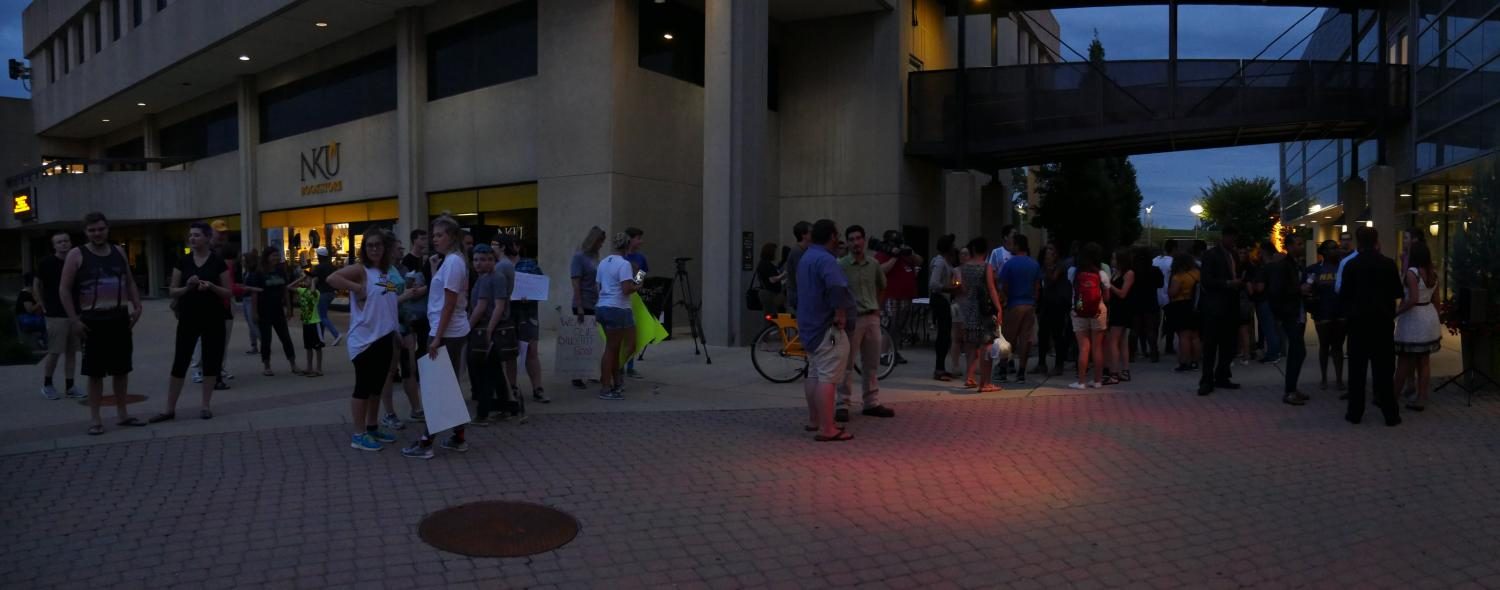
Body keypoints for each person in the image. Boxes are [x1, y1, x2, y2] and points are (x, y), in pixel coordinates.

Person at [60, 212, 146, 435]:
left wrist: (137, 305)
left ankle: (123, 414)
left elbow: (128, 280)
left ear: (107, 229)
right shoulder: (76, 255)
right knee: (95, 373)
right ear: (86, 232)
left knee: (121, 370)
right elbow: (64, 289)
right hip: (92, 321)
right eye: (92, 230)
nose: (97, 233)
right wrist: (74, 320)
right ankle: (95, 419)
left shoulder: (118, 251)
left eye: (100, 229)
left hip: (119, 318)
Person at [326, 228, 402, 451]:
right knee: (363, 387)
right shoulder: (361, 270)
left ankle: (371, 427)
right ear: (364, 249)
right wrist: (356, 287)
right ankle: (358, 434)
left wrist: (396, 331)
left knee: (376, 388)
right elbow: (332, 278)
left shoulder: (385, 272)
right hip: (365, 341)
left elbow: (389, 301)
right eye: (370, 246)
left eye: (378, 245)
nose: (375, 249)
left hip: (385, 336)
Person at [149, 222, 232, 423]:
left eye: (196, 235)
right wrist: (187, 287)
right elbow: (172, 291)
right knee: (181, 360)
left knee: (211, 362)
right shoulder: (183, 262)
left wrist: (211, 286)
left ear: (206, 238)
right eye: (190, 235)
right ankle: (169, 408)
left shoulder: (218, 262)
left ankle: (205, 405)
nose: (192, 239)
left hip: (213, 317)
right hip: (188, 317)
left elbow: (228, 292)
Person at [404, 215, 472, 458]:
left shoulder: (453, 262)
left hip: (447, 333)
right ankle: (458, 437)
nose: (435, 239)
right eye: (433, 235)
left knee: (437, 388)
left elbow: (450, 303)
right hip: (447, 331)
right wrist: (434, 269)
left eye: (439, 235)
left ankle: (425, 442)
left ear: (452, 237)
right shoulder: (450, 261)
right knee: (446, 386)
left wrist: (437, 337)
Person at [1339, 227, 1403, 426]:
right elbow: (1396, 292)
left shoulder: (1351, 265)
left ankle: (1355, 412)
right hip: (1382, 324)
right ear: (1376, 241)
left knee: (1357, 371)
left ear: (1358, 242)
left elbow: (1344, 296)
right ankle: (1390, 414)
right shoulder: (1388, 264)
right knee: (1384, 371)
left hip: (1358, 324)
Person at [797, 219, 854, 442]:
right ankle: (828, 428)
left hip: (809, 326)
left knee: (813, 373)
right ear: (832, 236)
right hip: (827, 329)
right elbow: (837, 286)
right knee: (828, 378)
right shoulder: (827, 260)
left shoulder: (806, 257)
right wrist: (840, 313)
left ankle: (815, 420)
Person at [835, 225, 897, 420]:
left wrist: (877, 308)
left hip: (871, 317)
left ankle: (871, 402)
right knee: (847, 362)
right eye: (851, 239)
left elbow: (882, 286)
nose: (855, 243)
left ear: (864, 240)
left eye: (858, 239)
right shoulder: (841, 265)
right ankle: (842, 404)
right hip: (852, 318)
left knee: (871, 362)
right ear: (847, 242)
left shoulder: (873, 264)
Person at [1394, 241, 1441, 412]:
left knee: (1404, 360)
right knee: (1424, 360)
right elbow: (1437, 300)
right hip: (1429, 316)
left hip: (1414, 319)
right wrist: (1436, 319)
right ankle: (1422, 398)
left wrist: (1397, 312)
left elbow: (1412, 299)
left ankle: (1393, 396)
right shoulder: (1432, 273)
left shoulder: (1412, 273)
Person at [35, 231, 83, 400]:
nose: (63, 244)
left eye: (66, 241)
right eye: (59, 242)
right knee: (55, 351)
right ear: (54, 245)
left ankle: (70, 386)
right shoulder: (46, 263)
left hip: (74, 313)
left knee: (72, 352)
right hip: (55, 314)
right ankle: (47, 385)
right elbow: (37, 285)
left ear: (70, 243)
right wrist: (42, 303)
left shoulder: (76, 261)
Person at [1198, 227, 1245, 396]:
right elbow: (1206, 280)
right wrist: (1227, 283)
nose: (1233, 242)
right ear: (1224, 237)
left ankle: (1222, 375)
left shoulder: (1233, 255)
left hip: (1231, 306)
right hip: (1214, 306)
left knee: (1229, 344)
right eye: (1231, 238)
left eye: (1235, 238)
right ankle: (1206, 380)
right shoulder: (1212, 255)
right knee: (1211, 345)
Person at [464, 244, 508, 422]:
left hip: (488, 330)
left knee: (485, 373)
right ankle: (505, 407)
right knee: (495, 371)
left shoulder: (495, 278)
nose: (478, 263)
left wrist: (487, 329)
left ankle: (483, 413)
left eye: (483, 259)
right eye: (475, 260)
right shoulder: (482, 278)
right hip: (485, 328)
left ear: (492, 260)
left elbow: (494, 306)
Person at [1265, 236, 1310, 406]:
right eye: (1299, 243)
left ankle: (1292, 388)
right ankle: (1290, 390)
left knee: (1297, 351)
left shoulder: (1294, 264)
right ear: (1289, 246)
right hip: (1290, 314)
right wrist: (1299, 290)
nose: (1301, 246)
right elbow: (1277, 291)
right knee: (1298, 351)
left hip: (1296, 312)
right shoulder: (1284, 266)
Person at [595, 232, 639, 400]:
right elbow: (626, 289)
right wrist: (639, 285)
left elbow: (598, 287)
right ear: (627, 246)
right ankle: (606, 387)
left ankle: (616, 380)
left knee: (614, 347)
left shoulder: (603, 263)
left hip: (603, 306)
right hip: (618, 308)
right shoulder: (624, 264)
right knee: (616, 348)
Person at [247, 247, 300, 377]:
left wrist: (289, 308)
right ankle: (267, 365)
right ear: (267, 257)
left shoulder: (281, 271)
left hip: (278, 310)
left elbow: (285, 290)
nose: (276, 258)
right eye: (273, 256)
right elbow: (254, 293)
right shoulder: (259, 273)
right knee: (266, 339)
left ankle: (293, 364)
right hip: (264, 310)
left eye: (277, 255)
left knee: (285, 337)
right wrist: (254, 312)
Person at [995, 234, 1041, 384]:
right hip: (1029, 305)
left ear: (1017, 246)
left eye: (1013, 244)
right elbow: (1037, 287)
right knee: (1025, 339)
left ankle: (1003, 369)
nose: (1011, 247)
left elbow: (1004, 286)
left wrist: (1003, 301)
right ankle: (1021, 371)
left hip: (1014, 304)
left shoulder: (1009, 264)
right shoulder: (1034, 264)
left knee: (1008, 339)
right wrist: (1034, 301)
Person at [957, 237, 1001, 392]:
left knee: (972, 346)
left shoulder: (964, 267)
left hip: (969, 308)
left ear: (973, 249)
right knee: (986, 346)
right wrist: (999, 307)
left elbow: (964, 287)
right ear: (986, 251)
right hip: (984, 310)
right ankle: (985, 382)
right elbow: (991, 288)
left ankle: (970, 377)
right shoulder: (986, 267)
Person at [508, 240, 549, 404]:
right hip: (508, 313)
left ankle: (538, 388)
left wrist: (531, 294)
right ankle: (512, 389)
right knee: (510, 352)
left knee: (532, 350)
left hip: (528, 312)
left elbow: (540, 285)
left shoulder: (529, 264)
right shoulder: (499, 265)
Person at [876, 230, 922, 363]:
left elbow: (920, 261)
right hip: (891, 295)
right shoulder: (883, 254)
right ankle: (883, 354)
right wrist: (894, 257)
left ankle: (894, 351)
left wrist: (910, 253)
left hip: (905, 296)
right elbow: (882, 270)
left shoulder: (905, 254)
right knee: (890, 324)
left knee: (899, 326)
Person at [1068, 243, 1110, 390]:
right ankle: (1097, 381)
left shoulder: (1073, 272)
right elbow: (1107, 296)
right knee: (1097, 347)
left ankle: (1081, 382)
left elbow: (1073, 290)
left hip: (1078, 311)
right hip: (1098, 311)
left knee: (1083, 348)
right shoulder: (1101, 274)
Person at [1306, 240, 1347, 392]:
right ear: (1323, 253)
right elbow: (1306, 289)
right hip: (1322, 313)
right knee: (1324, 346)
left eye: (1337, 247)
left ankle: (1339, 379)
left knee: (1337, 347)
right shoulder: (1314, 269)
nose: (1336, 251)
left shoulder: (1344, 267)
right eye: (1332, 249)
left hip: (1341, 313)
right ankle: (1323, 378)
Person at [569, 226, 606, 389]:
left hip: (595, 301)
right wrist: (579, 305)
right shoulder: (579, 257)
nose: (601, 245)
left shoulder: (594, 257)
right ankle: (576, 375)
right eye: (599, 241)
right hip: (582, 302)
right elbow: (575, 282)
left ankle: (590, 371)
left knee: (592, 340)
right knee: (581, 341)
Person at [1100, 248, 1136, 385]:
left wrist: (1109, 286)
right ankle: (1124, 371)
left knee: (1113, 341)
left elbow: (1123, 293)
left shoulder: (1129, 273)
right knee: (1121, 341)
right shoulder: (1116, 272)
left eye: (1114, 258)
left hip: (1122, 310)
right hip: (1115, 308)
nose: (1112, 261)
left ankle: (1113, 373)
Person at [1036, 241, 1071, 378]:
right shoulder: (1044, 266)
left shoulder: (1060, 265)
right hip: (1046, 303)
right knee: (1042, 334)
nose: (1047, 251)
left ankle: (1059, 365)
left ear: (1056, 252)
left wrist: (1049, 265)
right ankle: (1041, 363)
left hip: (1058, 304)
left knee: (1057, 335)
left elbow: (1052, 278)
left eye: (1050, 249)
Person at [927, 234, 958, 381]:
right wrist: (949, 288)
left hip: (943, 299)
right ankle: (939, 368)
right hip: (940, 299)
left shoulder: (945, 261)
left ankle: (941, 367)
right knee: (943, 334)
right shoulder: (940, 263)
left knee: (945, 335)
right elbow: (933, 284)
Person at [1166, 253, 1201, 373]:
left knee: (1183, 336)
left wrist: (1169, 291)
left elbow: (1173, 293)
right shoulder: (1197, 273)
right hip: (1195, 306)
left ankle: (1184, 362)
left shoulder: (1178, 277)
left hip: (1181, 306)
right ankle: (1195, 362)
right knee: (1195, 336)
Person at [621, 227, 648, 380]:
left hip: (633, 298)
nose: (641, 241)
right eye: (638, 238)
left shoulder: (641, 258)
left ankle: (630, 366)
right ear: (630, 239)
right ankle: (619, 365)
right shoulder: (621, 257)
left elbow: (640, 277)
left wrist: (635, 285)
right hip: (620, 298)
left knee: (632, 333)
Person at [1252, 239, 1284, 365]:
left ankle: (1272, 354)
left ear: (1263, 252)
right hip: (1276, 300)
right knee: (1275, 328)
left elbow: (1260, 287)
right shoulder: (1278, 267)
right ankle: (1277, 351)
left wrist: (1251, 285)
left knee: (1268, 328)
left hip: (1264, 301)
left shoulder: (1264, 269)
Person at [1132, 247, 1165, 364]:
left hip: (1136, 302)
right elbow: (1160, 285)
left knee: (1135, 329)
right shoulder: (1155, 270)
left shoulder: (1133, 271)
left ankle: (1132, 353)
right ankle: (1154, 353)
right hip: (1151, 301)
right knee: (1151, 329)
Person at [293, 275, 324, 377]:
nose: (306, 280)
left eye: (308, 279)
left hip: (315, 323)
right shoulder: (303, 291)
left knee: (317, 347)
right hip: (306, 323)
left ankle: (318, 369)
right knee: (308, 347)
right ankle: (309, 367)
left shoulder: (316, 293)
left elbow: (313, 292)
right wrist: (301, 279)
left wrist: (313, 282)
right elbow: (288, 287)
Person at [313, 246, 343, 346]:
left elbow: (314, 279)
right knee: (322, 315)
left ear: (319, 256)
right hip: (331, 292)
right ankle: (320, 338)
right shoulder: (332, 266)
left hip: (322, 293)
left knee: (322, 316)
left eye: (317, 255)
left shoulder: (318, 267)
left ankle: (336, 334)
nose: (317, 256)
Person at [1153, 241, 1176, 356]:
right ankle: (1169, 346)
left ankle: (1154, 346)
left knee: (1155, 323)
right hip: (1168, 294)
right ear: (1174, 249)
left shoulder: (1155, 260)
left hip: (1155, 294)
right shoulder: (1172, 262)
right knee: (1170, 322)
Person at [783, 221, 812, 311]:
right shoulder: (797, 252)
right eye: (811, 232)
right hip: (798, 298)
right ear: (804, 235)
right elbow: (801, 276)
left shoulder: (804, 251)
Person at [239, 252, 261, 356]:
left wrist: (245, 288)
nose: (242, 262)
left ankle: (263, 343)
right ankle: (254, 345)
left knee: (253, 324)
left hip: (250, 299)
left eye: (244, 260)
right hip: (245, 298)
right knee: (250, 324)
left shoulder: (254, 273)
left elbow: (256, 290)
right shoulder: (246, 272)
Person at [755, 243, 786, 315]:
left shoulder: (763, 263)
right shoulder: (766, 264)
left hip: (768, 292)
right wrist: (784, 274)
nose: (775, 254)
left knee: (770, 315)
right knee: (772, 316)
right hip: (769, 293)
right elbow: (772, 280)